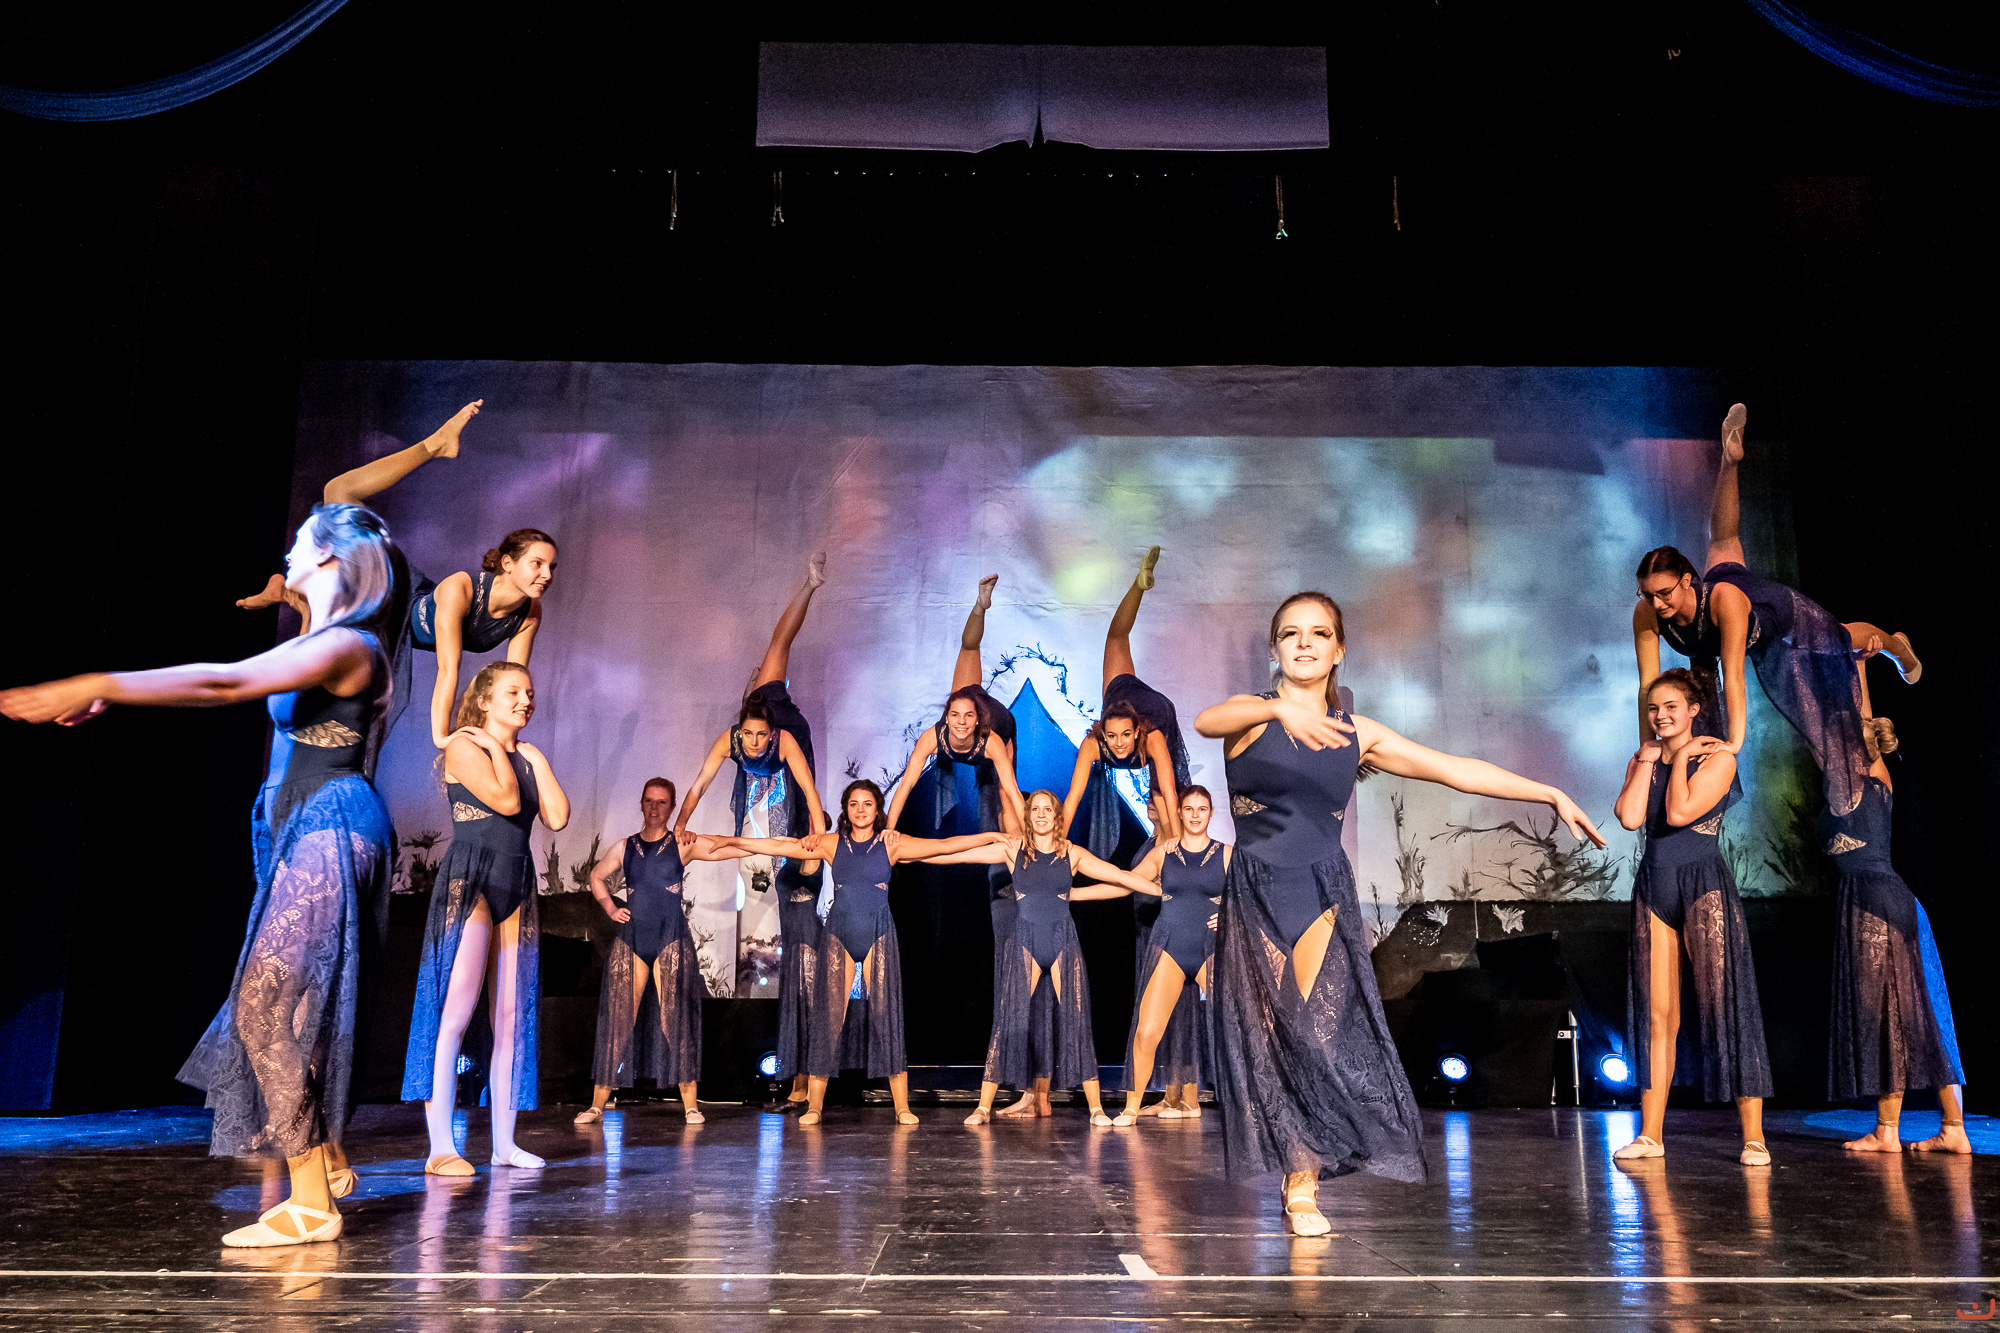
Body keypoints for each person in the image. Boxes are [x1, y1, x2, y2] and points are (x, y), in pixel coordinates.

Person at [3, 503, 409, 1247]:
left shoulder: (350, 646)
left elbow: (224, 684)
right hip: (298, 823)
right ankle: (321, 1174)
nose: (287, 552)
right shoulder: (320, 634)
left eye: (299, 542)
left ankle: (313, 1203)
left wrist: (100, 681)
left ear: (329, 557)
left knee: (265, 1004)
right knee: (283, 1009)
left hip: (332, 820)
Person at [1194, 591, 1603, 1236]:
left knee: (1312, 1033)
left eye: (1319, 633)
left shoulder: (1358, 734)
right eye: (1291, 633)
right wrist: (1278, 710)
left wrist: (1546, 791)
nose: (1304, 643)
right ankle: (1296, 1167)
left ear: (1339, 650)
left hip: (1320, 891)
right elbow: (1207, 720)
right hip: (1258, 890)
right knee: (1271, 1037)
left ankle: (1302, 1183)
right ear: (1275, 648)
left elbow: (1455, 770)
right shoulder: (1251, 714)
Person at [1633, 403, 1915, 818]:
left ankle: (1896, 645)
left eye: (1664, 593)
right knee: (1723, 539)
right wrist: (1649, 745)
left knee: (1837, 640)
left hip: (1773, 613)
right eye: (1647, 595)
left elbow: (1734, 675)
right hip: (1727, 590)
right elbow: (1647, 688)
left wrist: (1733, 743)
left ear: (1687, 581)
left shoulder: (1723, 600)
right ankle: (1730, 459)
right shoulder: (1647, 613)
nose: (1657, 604)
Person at [235, 401, 556, 752]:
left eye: (551, 567)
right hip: (393, 593)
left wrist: (508, 743)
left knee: (324, 657)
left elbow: (513, 681)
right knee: (339, 494)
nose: (546, 575)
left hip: (392, 623)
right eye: (537, 563)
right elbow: (448, 669)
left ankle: (291, 595)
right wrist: (442, 736)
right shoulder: (461, 589)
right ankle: (433, 444)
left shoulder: (529, 612)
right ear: (507, 563)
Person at [723, 780, 1008, 1125]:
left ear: (877, 809)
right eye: (854, 804)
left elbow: (944, 846)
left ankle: (902, 1107)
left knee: (887, 1016)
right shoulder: (831, 843)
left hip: (878, 932)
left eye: (868, 803)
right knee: (829, 1018)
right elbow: (776, 844)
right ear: (846, 809)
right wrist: (729, 842)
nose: (861, 810)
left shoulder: (891, 844)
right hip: (839, 933)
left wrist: (991, 836)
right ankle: (814, 1106)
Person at [401, 662, 571, 1175]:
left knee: (511, 1020)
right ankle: (440, 1148)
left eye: (529, 692)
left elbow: (558, 817)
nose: (525, 700)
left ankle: (504, 1145)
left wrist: (533, 758)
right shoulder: (463, 746)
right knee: (455, 1012)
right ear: (484, 701)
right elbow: (506, 799)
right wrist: (498, 749)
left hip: (515, 884)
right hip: (470, 880)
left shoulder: (528, 755)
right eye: (514, 692)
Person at [676, 555, 831, 1108]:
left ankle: (808, 585)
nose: (755, 742)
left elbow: (810, 794)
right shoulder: (732, 739)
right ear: (741, 730)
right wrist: (681, 826)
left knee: (776, 651)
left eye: (760, 736)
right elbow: (698, 785)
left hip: (798, 773)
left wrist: (816, 841)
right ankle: (808, 583)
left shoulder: (783, 738)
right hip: (765, 725)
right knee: (774, 651)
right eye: (750, 736)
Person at [923, 790, 1163, 1126]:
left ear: (1056, 817)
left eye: (1046, 809)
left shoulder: (1072, 854)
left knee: (1078, 1020)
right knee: (1007, 1019)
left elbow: (1120, 876)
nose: (1040, 814)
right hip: (1025, 942)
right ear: (1028, 815)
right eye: (1034, 809)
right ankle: (982, 1107)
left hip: (1063, 942)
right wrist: (908, 855)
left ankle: (1096, 1108)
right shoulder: (1013, 850)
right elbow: (955, 854)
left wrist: (1165, 890)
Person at [1611, 668, 1772, 1166]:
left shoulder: (1717, 757)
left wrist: (1679, 757)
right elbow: (1630, 817)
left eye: (1670, 707)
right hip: (1655, 887)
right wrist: (1647, 759)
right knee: (1658, 1017)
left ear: (1693, 709)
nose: (1660, 716)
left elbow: (1680, 813)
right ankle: (1650, 1135)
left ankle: (1754, 1137)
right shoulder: (1645, 757)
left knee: (1727, 1006)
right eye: (1653, 709)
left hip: (1703, 885)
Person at [1824, 750, 1969, 1155]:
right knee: (1920, 1015)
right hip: (1892, 902)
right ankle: (1949, 1127)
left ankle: (1892, 1130)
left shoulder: (1856, 784)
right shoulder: (1872, 780)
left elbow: (1835, 724)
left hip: (1876, 904)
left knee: (1896, 1016)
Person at [574, 778, 739, 1126]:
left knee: (674, 1019)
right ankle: (597, 1105)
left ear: (672, 807)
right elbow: (596, 876)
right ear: (641, 803)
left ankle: (691, 1105)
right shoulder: (625, 846)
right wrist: (610, 907)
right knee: (618, 1021)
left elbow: (727, 847)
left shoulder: (681, 844)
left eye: (662, 802)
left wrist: (773, 846)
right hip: (632, 938)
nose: (654, 807)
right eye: (649, 800)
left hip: (670, 937)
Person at [1060, 547, 1187, 858]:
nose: (1118, 744)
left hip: (1155, 709)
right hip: (1122, 697)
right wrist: (1056, 842)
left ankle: (1169, 851)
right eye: (1112, 737)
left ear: (1136, 732)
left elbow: (1169, 792)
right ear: (1103, 733)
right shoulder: (1094, 743)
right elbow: (1073, 797)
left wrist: (1180, 843)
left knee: (1160, 800)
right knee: (1117, 638)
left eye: (1125, 736)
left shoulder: (1153, 736)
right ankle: (1139, 583)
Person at [1114, 786, 1228, 1125]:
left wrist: (1229, 911)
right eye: (1189, 808)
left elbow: (1253, 894)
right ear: (1179, 813)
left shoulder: (1227, 854)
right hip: (1172, 947)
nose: (1195, 814)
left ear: (1211, 813)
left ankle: (1255, 1105)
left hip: (1210, 948)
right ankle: (1131, 1108)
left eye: (1202, 808)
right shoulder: (1163, 854)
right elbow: (1124, 881)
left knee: (1236, 1027)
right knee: (1147, 1030)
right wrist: (1074, 892)